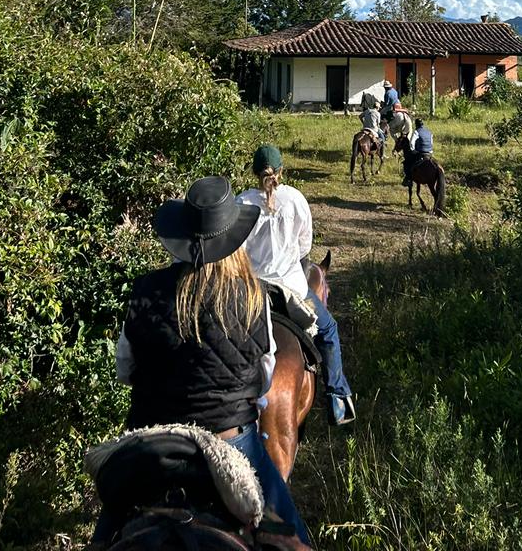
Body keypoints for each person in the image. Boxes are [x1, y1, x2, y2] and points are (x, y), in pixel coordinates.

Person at [98, 175, 310, 547]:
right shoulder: (253, 296)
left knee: (105, 532)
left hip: (151, 438)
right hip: (232, 441)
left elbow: (124, 369)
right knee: (296, 538)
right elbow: (263, 377)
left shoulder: (145, 290)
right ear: (234, 240)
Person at [239, 145, 356, 428]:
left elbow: (235, 252)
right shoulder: (295, 199)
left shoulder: (240, 203)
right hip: (292, 289)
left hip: (251, 292)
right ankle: (338, 397)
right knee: (328, 330)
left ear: (254, 172)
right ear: (281, 171)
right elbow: (305, 248)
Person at [401, 117, 434, 186]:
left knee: (407, 162)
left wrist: (413, 150)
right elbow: (431, 142)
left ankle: (408, 179)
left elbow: (411, 143)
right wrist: (430, 150)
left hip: (420, 152)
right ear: (422, 124)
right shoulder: (429, 132)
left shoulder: (416, 132)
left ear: (416, 125)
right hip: (429, 152)